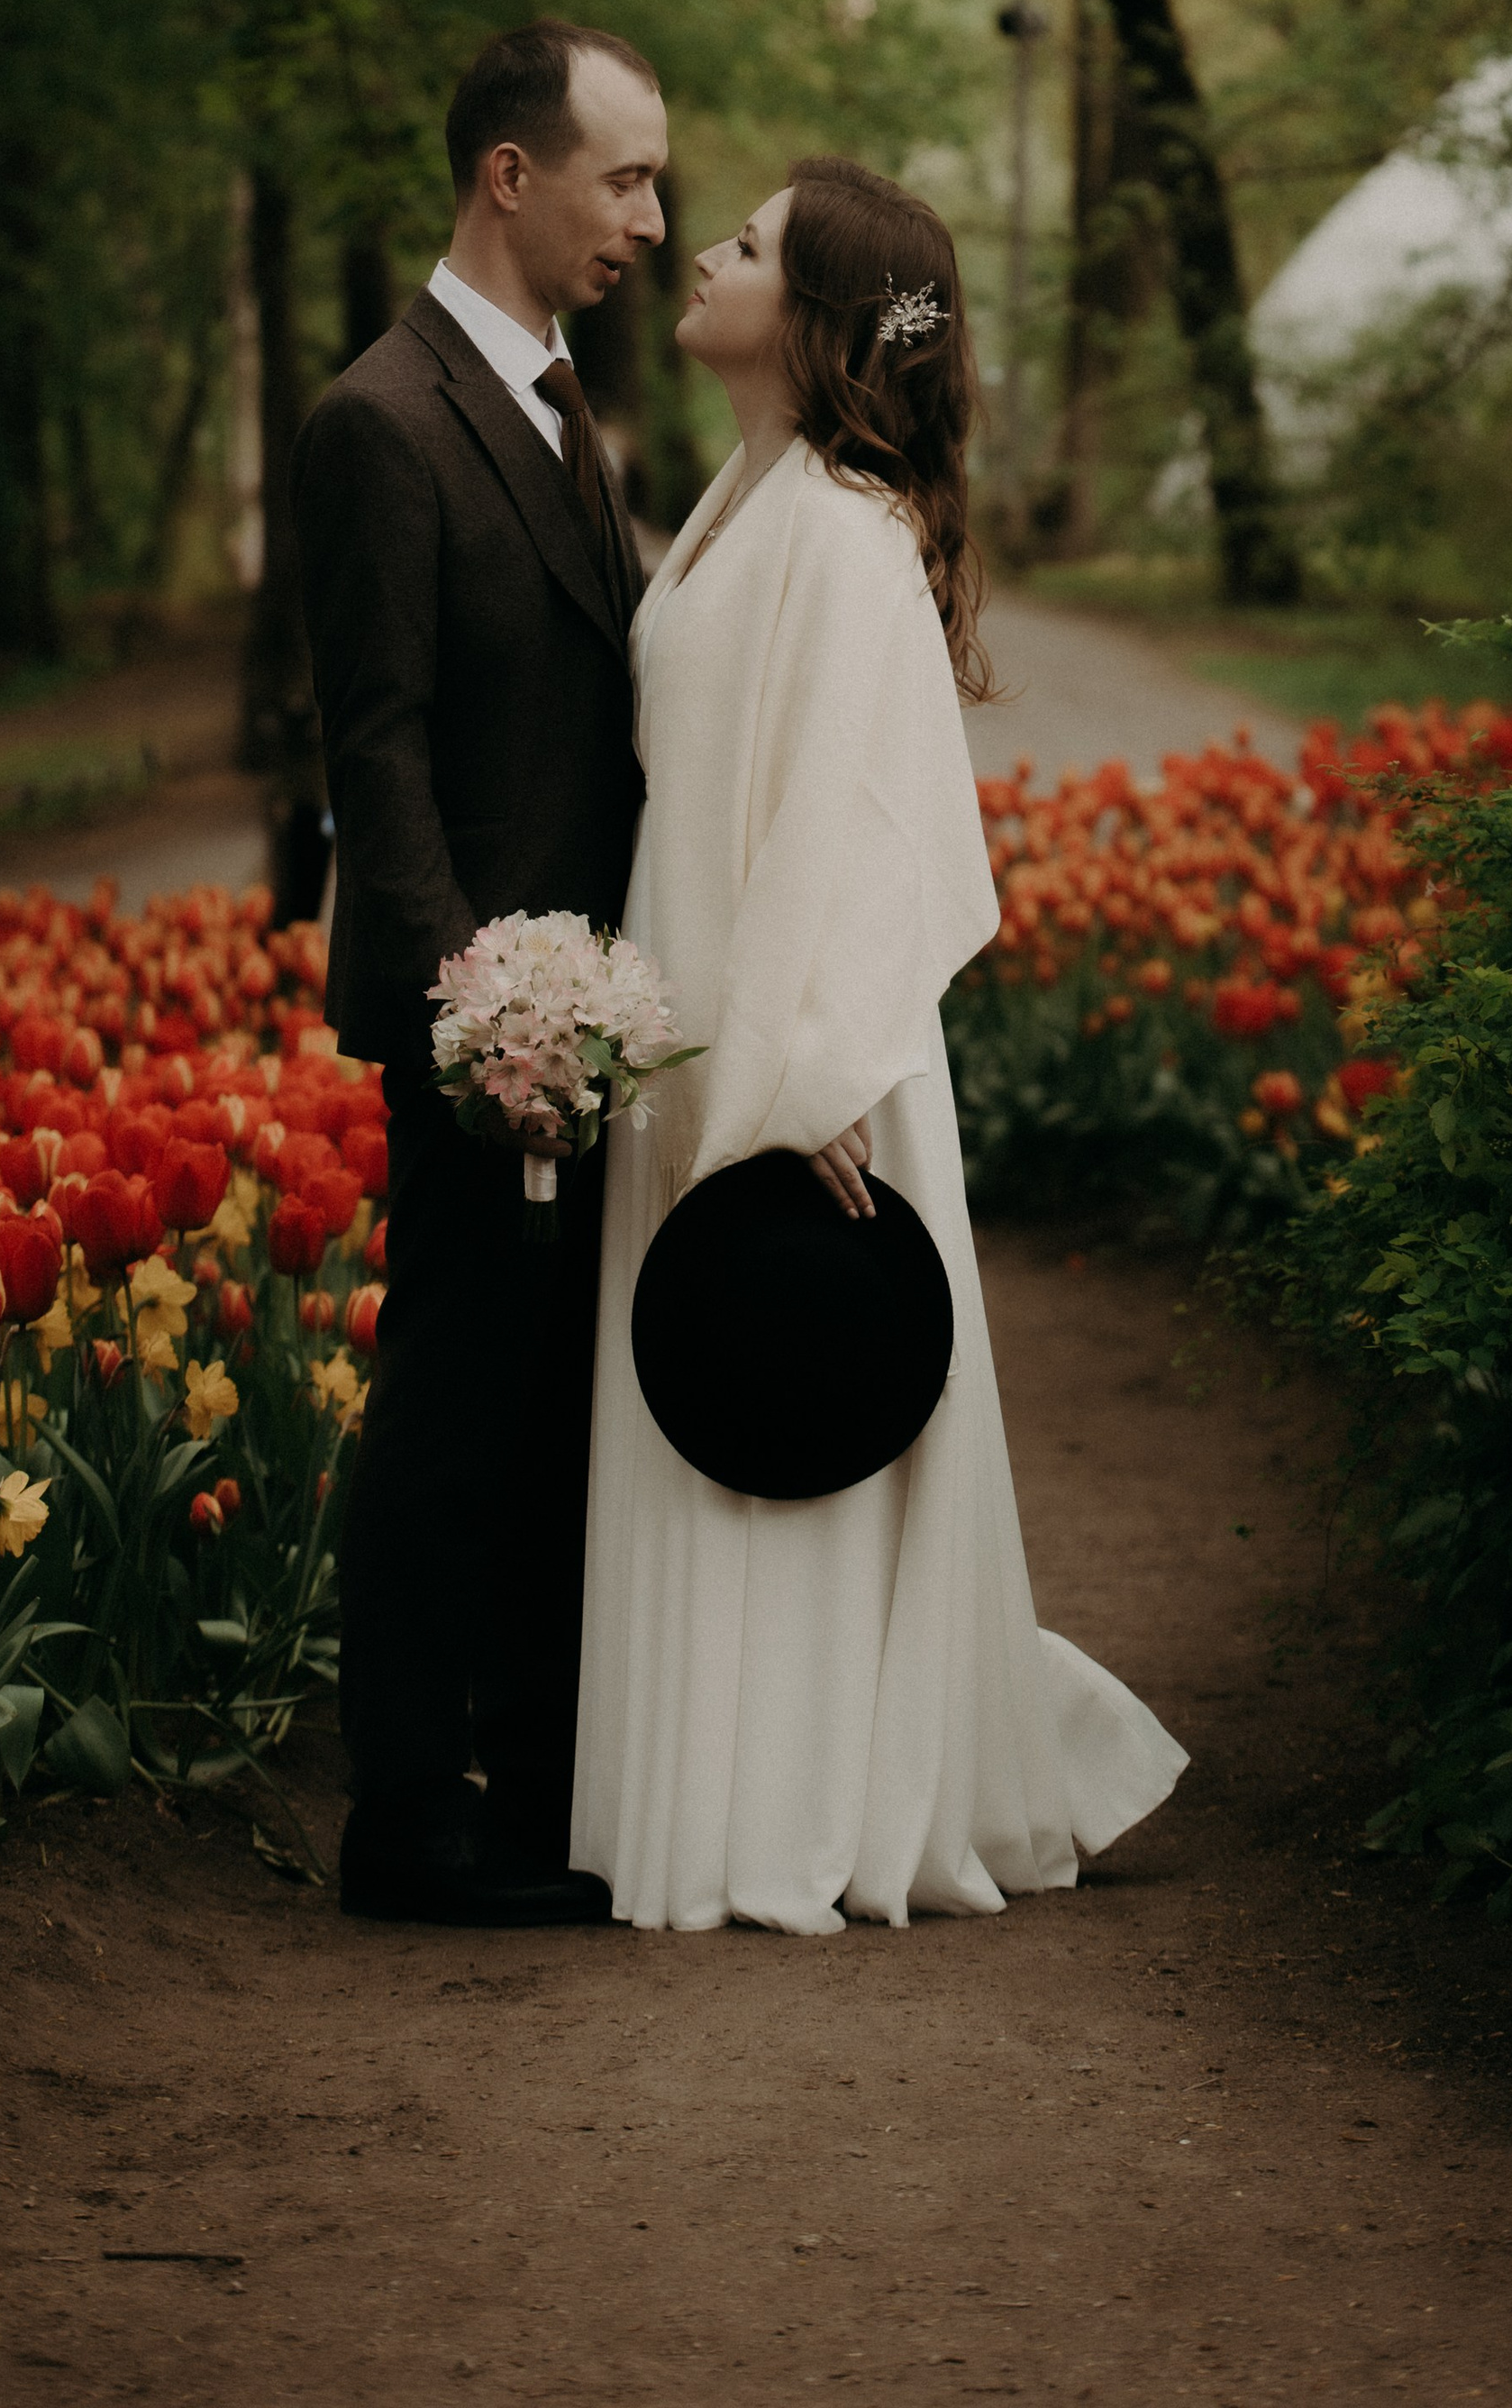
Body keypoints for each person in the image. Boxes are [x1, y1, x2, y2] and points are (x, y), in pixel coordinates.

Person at [571, 156, 1187, 1934]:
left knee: (788, 1400)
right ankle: (695, 1792)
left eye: (749, 244)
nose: (701, 246)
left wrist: (797, 1082)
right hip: (709, 1049)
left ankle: (795, 1814)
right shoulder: (733, 495)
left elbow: (850, 818)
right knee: (713, 1401)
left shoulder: (842, 530)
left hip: (803, 1075)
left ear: (820, 319)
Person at [294, 17, 666, 1927]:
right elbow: (380, 745)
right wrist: (476, 1016)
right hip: (483, 1030)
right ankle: (408, 1820)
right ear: (508, 176)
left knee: (534, 1410)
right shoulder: (379, 416)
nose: (649, 219)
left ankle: (530, 1782)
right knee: (448, 1402)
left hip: (573, 1015)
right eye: (621, 178)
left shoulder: (550, 395)